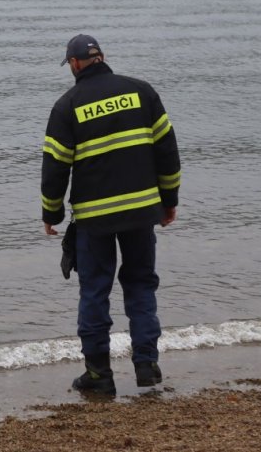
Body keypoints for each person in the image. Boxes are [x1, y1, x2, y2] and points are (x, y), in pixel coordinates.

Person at [41, 34, 181, 396]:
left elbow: (55, 168)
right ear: (102, 57)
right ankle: (147, 365)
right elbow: (167, 151)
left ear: (73, 64)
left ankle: (99, 375)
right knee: (140, 284)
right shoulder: (142, 92)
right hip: (141, 212)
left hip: (94, 219)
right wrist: (169, 201)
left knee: (95, 291)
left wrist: (51, 214)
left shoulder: (67, 105)